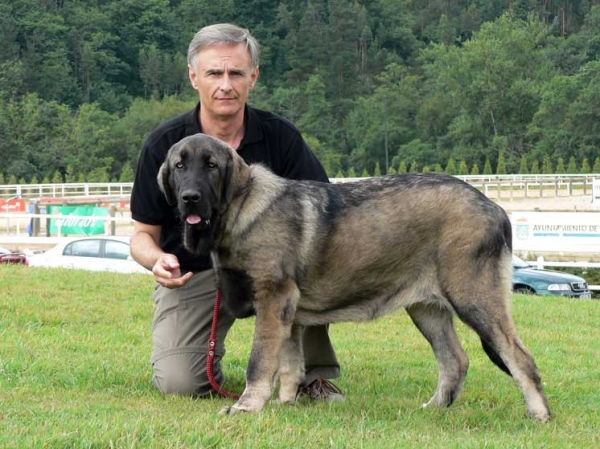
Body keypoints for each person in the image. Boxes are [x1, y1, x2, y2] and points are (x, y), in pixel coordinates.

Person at [130, 23, 343, 401]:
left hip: (274, 272)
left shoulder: (281, 138)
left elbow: (327, 216)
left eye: (236, 73)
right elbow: (141, 234)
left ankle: (313, 376)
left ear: (253, 77)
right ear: (194, 77)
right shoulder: (165, 144)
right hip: (194, 273)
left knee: (302, 268)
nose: (225, 84)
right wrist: (157, 260)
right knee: (181, 383)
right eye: (214, 73)